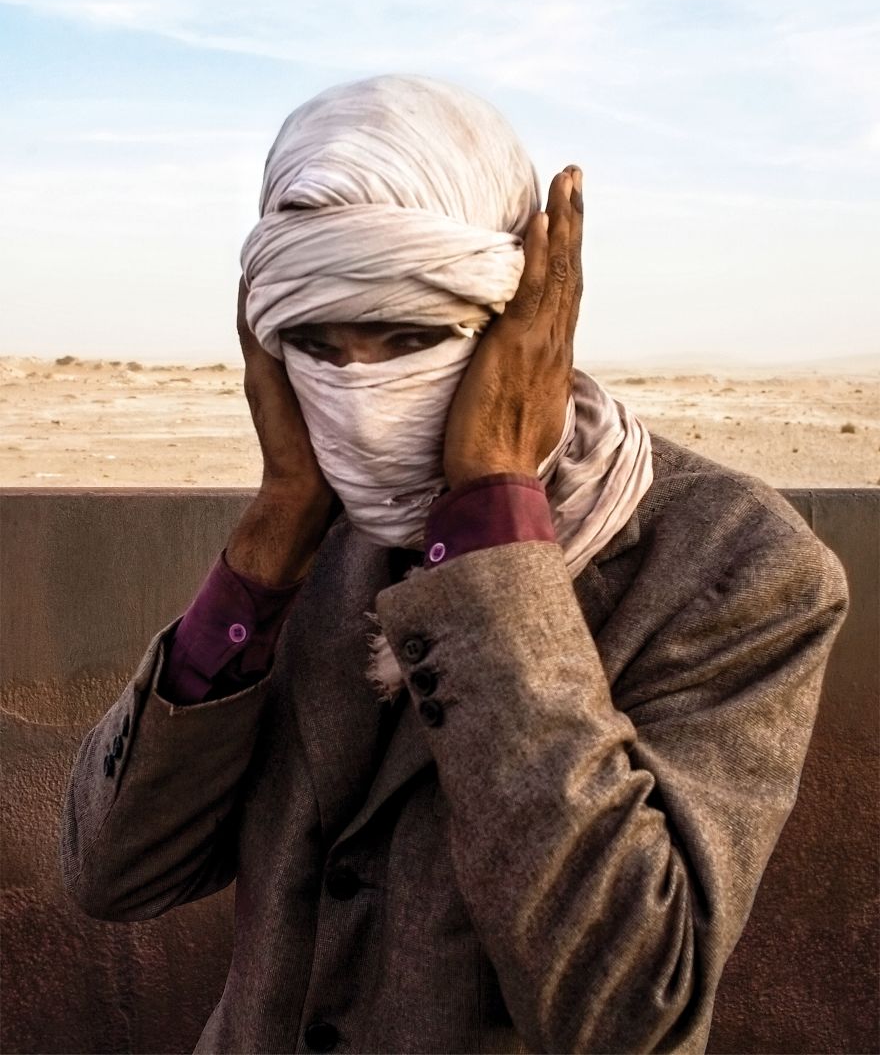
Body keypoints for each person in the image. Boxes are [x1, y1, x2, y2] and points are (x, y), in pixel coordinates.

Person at [59, 75, 848, 1055]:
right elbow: (115, 874)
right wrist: (273, 535)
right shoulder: (319, 538)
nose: (360, 394)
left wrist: (489, 537)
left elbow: (628, 1013)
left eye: (410, 338)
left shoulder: (732, 565)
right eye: (316, 346)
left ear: (529, 318)